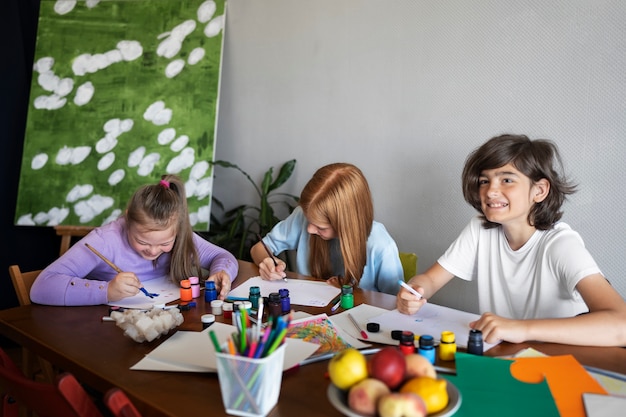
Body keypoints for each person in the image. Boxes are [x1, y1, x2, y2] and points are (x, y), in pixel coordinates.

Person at [397, 134, 626, 347]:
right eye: (484, 181)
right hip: (506, 355)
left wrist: (521, 329)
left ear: (539, 190)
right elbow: (430, 279)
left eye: (506, 180)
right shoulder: (479, 229)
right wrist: (417, 291)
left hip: (558, 360)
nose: (490, 191)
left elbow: (621, 325)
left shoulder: (560, 244)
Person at [31, 174, 238, 306]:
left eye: (165, 244)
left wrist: (221, 272)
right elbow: (42, 287)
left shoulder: (178, 234)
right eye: (144, 242)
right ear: (128, 220)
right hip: (109, 332)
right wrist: (107, 290)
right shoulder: (105, 240)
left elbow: (222, 256)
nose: (153, 251)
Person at [251, 162, 403, 295]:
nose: (309, 230)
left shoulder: (381, 245)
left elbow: (395, 302)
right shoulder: (302, 217)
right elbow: (259, 248)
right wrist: (267, 262)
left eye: (320, 227)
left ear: (346, 223)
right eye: (308, 220)